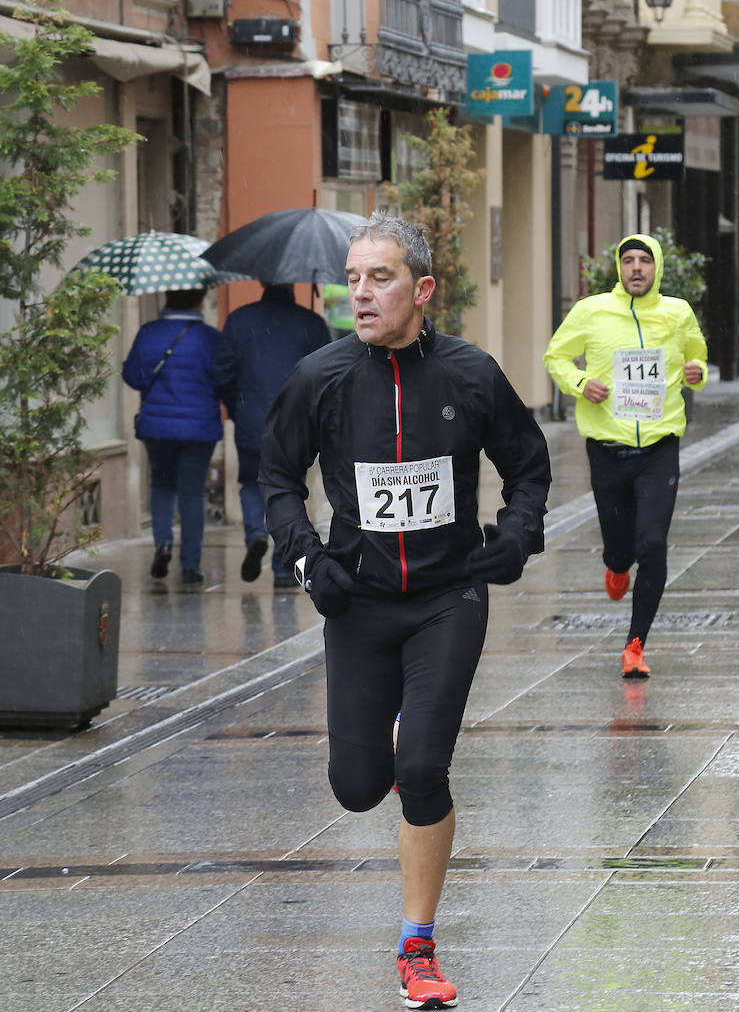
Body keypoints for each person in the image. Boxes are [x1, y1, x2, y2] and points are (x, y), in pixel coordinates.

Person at [259, 212, 551, 1011]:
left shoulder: (471, 374)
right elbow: (278, 476)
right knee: (358, 786)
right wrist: (307, 557)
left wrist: (515, 539)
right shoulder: (320, 377)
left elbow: (529, 467)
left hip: (447, 599)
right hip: (358, 603)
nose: (359, 293)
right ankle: (388, 754)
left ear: (422, 289)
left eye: (378, 278)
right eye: (351, 278)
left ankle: (417, 945)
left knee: (421, 767)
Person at [544, 231, 708, 677]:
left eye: (645, 260)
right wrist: (580, 384)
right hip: (607, 448)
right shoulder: (592, 311)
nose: (637, 268)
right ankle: (615, 566)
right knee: (619, 547)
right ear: (619, 268)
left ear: (657, 267)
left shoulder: (677, 312)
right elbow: (556, 356)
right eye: (629, 260)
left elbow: (698, 358)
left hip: (659, 446)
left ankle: (635, 644)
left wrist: (697, 372)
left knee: (652, 544)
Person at [212, 283, 332, 586]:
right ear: (292, 285)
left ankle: (255, 533)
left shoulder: (239, 320)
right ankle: (282, 565)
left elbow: (222, 372)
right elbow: (327, 375)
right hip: (296, 422)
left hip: (250, 417)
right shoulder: (311, 323)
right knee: (288, 489)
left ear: (263, 283)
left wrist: (235, 406)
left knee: (251, 482)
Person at [122, 288, 222, 584]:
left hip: (158, 427)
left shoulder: (148, 332)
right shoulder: (210, 338)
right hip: (199, 428)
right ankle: (191, 565)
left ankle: (163, 543)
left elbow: (132, 376)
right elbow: (223, 378)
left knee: (162, 484)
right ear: (200, 299)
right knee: (192, 492)